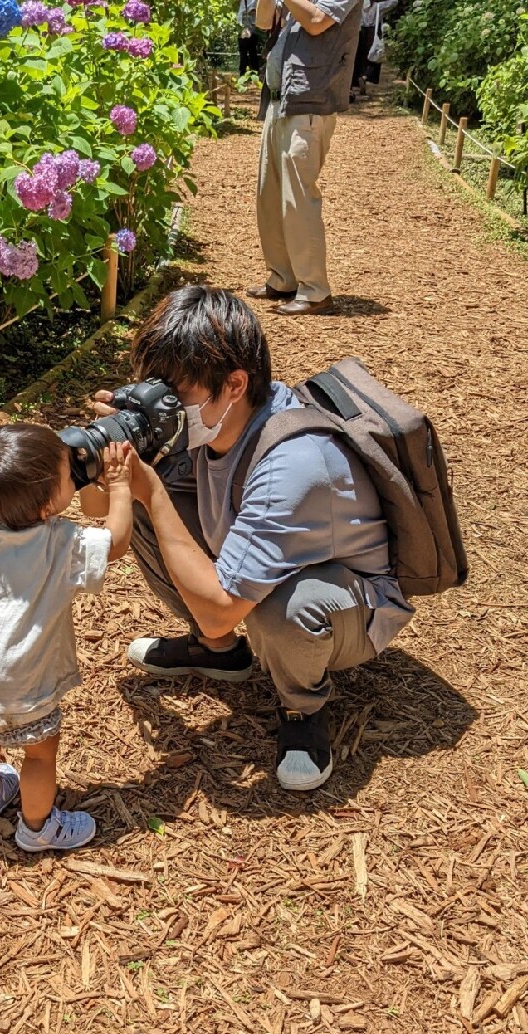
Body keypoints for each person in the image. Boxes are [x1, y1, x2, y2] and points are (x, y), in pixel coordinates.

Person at [88, 286, 414, 792]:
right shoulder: (210, 424)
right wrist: (105, 459)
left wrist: (149, 491)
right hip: (269, 557)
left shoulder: (293, 463)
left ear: (235, 383)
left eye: (178, 395)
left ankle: (301, 707)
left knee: (280, 605)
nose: (165, 409)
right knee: (145, 505)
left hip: (354, 602)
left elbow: (221, 605)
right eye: (155, 390)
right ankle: (219, 653)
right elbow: (101, 514)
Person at [0, 424, 134, 852]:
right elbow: (116, 544)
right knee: (38, 754)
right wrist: (121, 488)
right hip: (27, 683)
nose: (75, 473)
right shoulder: (58, 541)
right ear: (50, 505)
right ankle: (37, 828)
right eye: (69, 476)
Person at [248, 0, 363, 316]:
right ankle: (283, 278)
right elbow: (262, 20)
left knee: (298, 199)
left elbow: (316, 20)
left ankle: (314, 291)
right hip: (278, 102)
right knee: (269, 196)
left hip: (310, 104)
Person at [237, 0, 262, 78]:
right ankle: (242, 74)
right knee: (243, 54)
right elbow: (239, 16)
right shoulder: (243, 2)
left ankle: (255, 74)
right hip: (243, 31)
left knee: (253, 53)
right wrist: (243, 28)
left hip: (253, 31)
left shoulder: (257, 1)